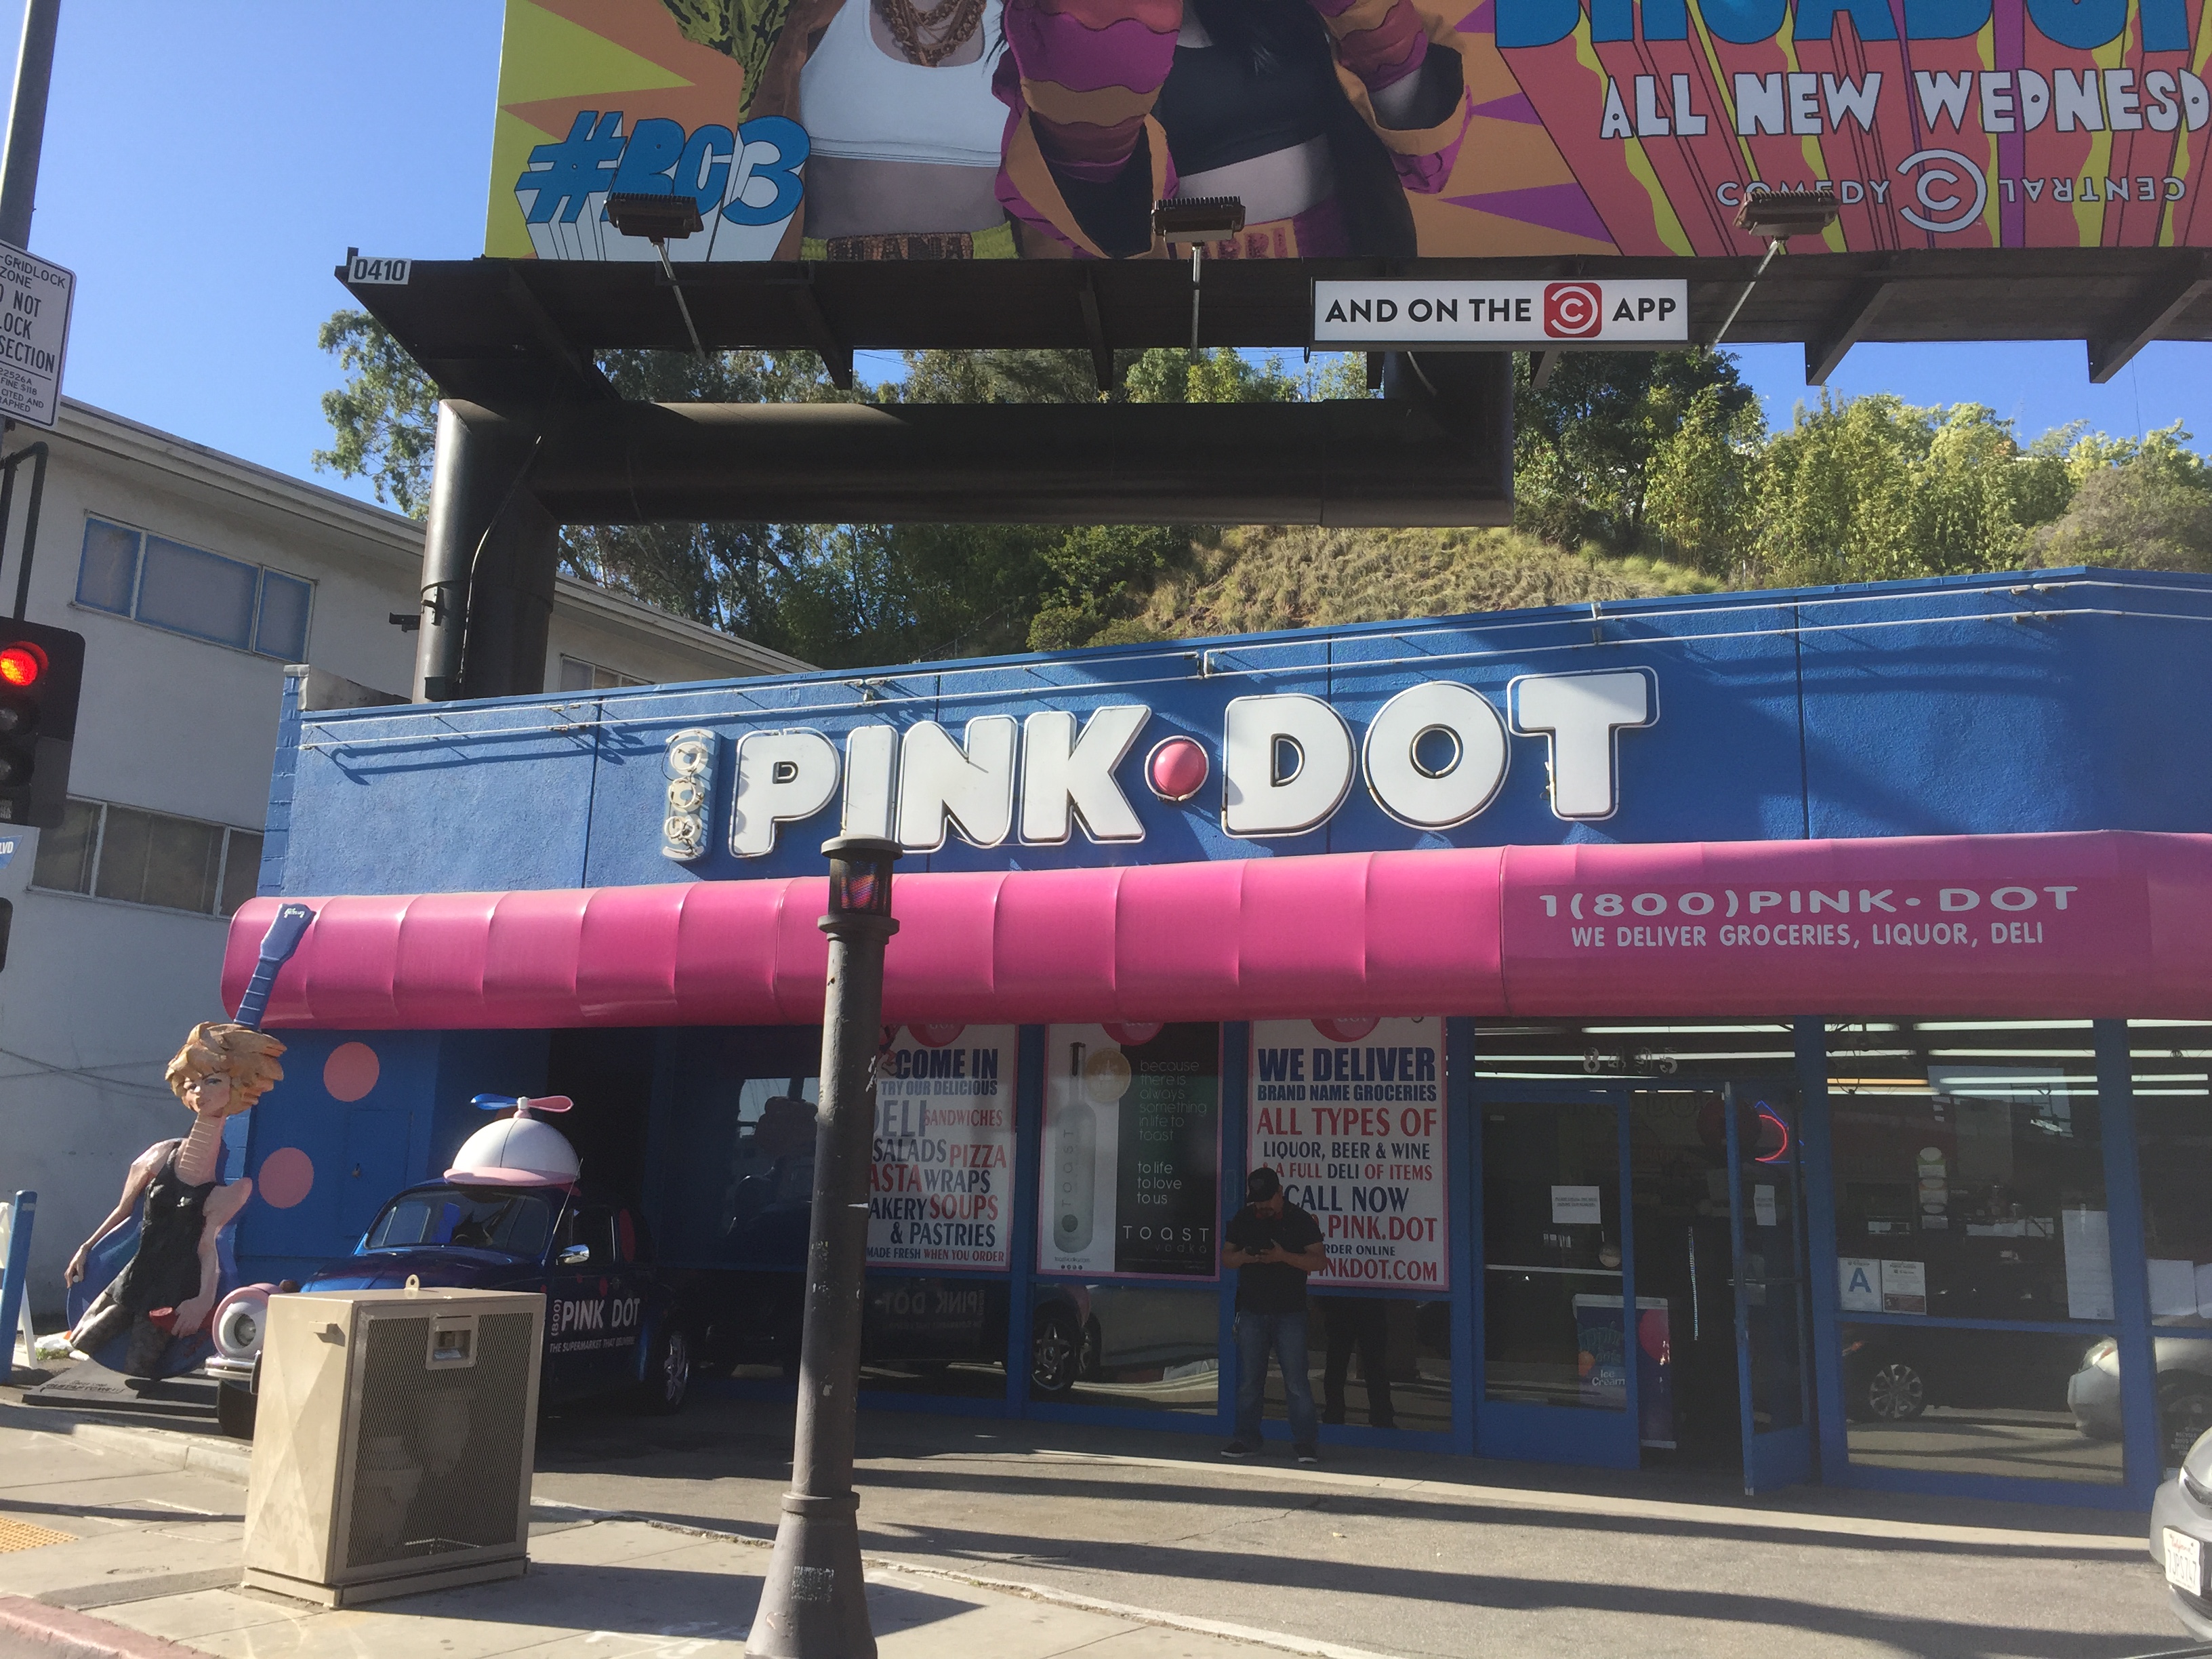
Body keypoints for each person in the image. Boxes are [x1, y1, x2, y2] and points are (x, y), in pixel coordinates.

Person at [992, 0, 1471, 258]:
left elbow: (1423, 153)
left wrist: (1379, 26)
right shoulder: (1058, 25)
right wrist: (1089, 133)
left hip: (1349, 285)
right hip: (1179, 307)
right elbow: (1067, 233)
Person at [663, 0, 1019, 260]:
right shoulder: (796, 12)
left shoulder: (1026, 18)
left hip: (991, 279)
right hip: (822, 279)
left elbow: (1043, 196)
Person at [65, 1023, 285, 1376]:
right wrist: (86, 1247)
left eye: (212, 1081)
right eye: (193, 1083)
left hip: (172, 1292)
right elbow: (124, 1211)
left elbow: (208, 1248)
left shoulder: (230, 1192)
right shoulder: (158, 1156)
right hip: (133, 1278)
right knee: (85, 1337)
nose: (200, 1092)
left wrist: (202, 1301)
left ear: (236, 1087)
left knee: (142, 1363)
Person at [1221, 1164, 1327, 1460]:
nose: (1263, 1206)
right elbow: (1227, 1258)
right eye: (1257, 1201)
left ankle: (1305, 1443)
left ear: (1281, 1192)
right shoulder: (1243, 1219)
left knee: (1296, 1382)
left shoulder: (1300, 1219)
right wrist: (1245, 1256)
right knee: (1249, 1382)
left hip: (1290, 1313)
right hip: (1252, 1311)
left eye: (1267, 1200)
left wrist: (1283, 1256)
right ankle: (1246, 1439)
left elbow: (1319, 1262)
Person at [1316, 1294, 1395, 1428]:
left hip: (1341, 1302)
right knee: (1374, 1364)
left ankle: (1334, 1412)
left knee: (1337, 1362)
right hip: (1369, 1302)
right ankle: (1381, 1415)